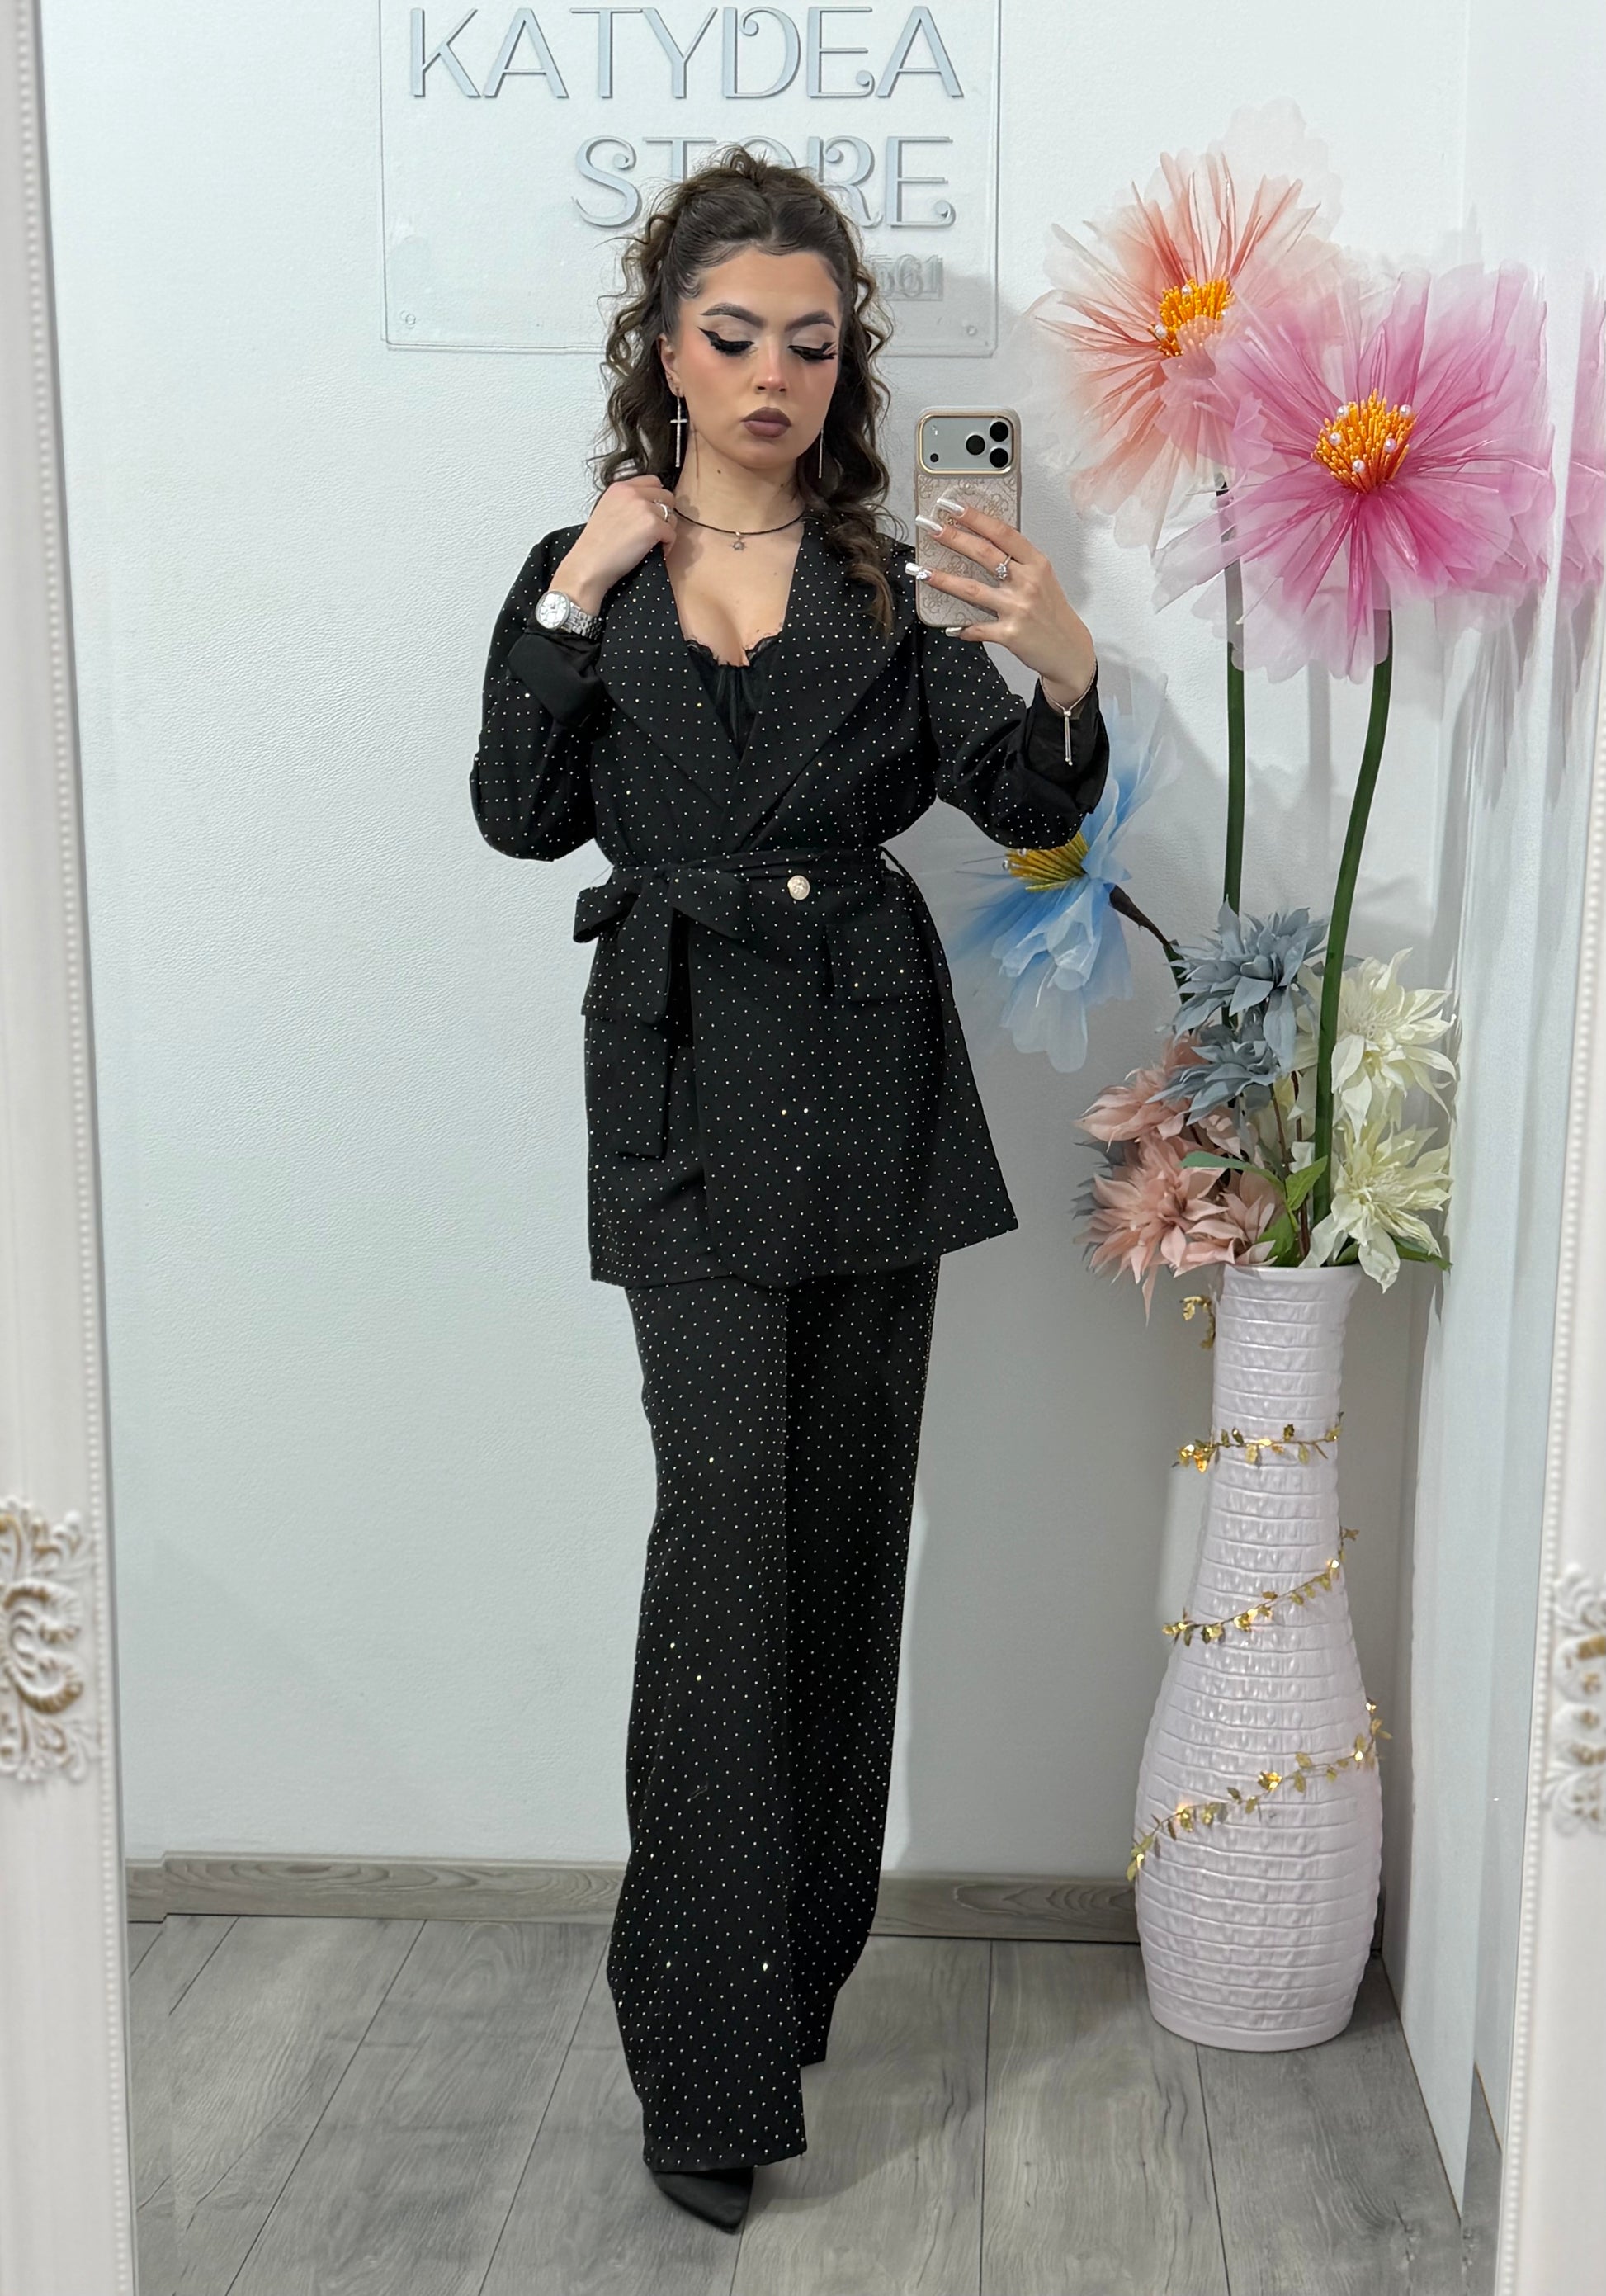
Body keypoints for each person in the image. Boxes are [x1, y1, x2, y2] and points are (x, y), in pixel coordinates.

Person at [469, 147, 1107, 2232]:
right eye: (733, 334)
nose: (772, 374)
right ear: (663, 347)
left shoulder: (889, 584)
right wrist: (577, 589)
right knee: (722, 1539)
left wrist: (1065, 665)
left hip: (870, 1086)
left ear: (847, 368)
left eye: (811, 345)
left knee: (838, 1550)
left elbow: (1021, 804)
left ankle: (792, 1973)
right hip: (680, 1094)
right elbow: (516, 813)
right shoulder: (583, 566)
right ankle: (704, 2053)